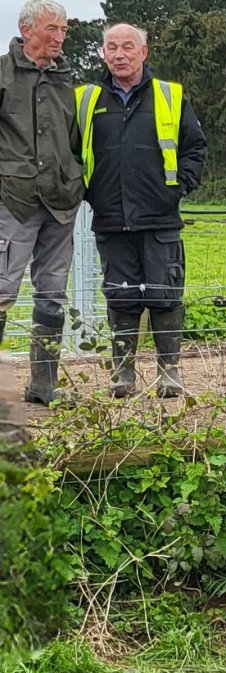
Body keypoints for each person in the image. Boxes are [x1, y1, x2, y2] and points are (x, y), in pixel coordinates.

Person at [76, 23, 207, 398]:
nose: (119, 54)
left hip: (160, 220)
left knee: (165, 295)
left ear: (144, 53)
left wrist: (177, 188)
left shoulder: (171, 96)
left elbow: (195, 148)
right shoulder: (86, 100)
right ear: (104, 54)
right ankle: (123, 374)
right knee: (121, 297)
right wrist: (90, 193)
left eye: (127, 47)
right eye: (112, 48)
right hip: (111, 220)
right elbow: (72, 152)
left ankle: (169, 372)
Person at [0, 0, 83, 405]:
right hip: (12, 201)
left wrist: (77, 175)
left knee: (52, 294)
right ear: (27, 29)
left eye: (64, 30)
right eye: (52, 29)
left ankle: (43, 386)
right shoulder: (2, 73)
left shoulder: (68, 77)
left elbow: (76, 137)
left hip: (61, 202)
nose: (60, 37)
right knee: (1, 289)